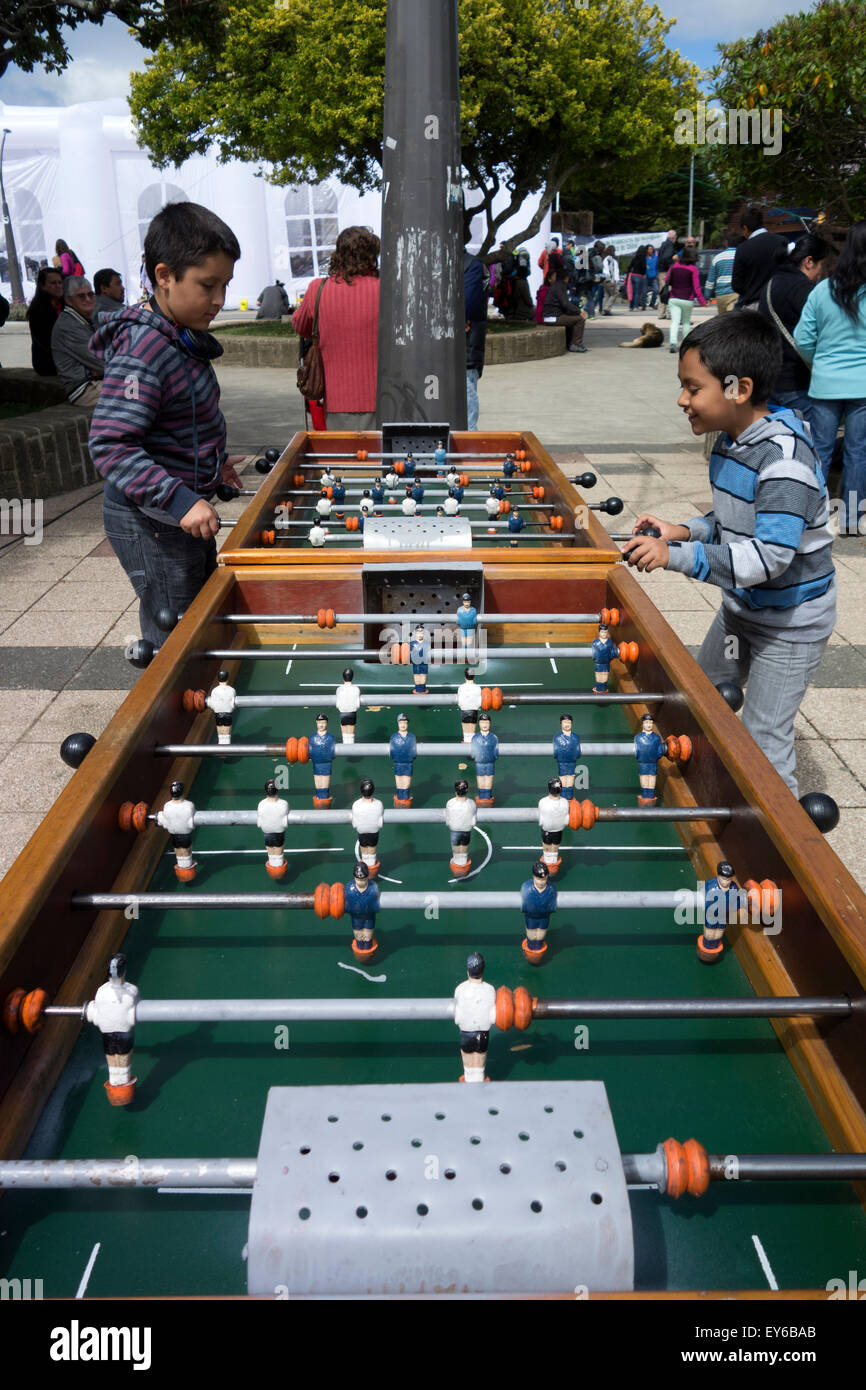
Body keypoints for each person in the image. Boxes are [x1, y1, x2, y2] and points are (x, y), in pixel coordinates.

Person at [623, 311, 836, 797]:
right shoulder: (730, 441)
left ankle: (777, 853)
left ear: (738, 389)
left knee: (763, 740)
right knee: (699, 696)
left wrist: (676, 556)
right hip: (743, 608)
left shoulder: (784, 461)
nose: (682, 400)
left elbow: (768, 558)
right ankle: (693, 788)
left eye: (692, 388)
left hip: (790, 623)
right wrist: (681, 530)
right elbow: (733, 523)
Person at [88, 202, 242, 651]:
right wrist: (179, 498)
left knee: (199, 612)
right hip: (150, 517)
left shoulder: (178, 334)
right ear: (164, 275)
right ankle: (166, 716)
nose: (219, 300)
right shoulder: (143, 350)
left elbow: (182, 419)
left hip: (178, 509)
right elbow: (111, 443)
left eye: (225, 286)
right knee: (175, 631)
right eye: (208, 285)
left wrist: (213, 467)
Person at [794, 220, 866, 519]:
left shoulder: (823, 290)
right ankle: (852, 517)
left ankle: (813, 516)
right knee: (858, 452)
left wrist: (818, 361)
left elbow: (802, 339)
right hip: (863, 386)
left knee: (819, 450)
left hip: (824, 382)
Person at [292, 226, 380, 430]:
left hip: (336, 397)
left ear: (338, 254)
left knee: (344, 457)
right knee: (380, 458)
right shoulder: (385, 288)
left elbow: (301, 325)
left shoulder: (318, 289)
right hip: (383, 396)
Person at [757, 233, 832, 423]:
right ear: (809, 261)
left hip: (772, 376)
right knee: (809, 441)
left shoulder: (773, 281)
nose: (821, 274)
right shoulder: (802, 288)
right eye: (821, 266)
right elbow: (817, 331)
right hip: (795, 382)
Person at [50, 276, 105, 406]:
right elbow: (101, 362)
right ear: (69, 300)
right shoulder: (68, 326)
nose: (88, 299)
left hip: (96, 381)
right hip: (84, 389)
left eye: (90, 294)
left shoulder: (83, 318)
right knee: (141, 391)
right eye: (81, 296)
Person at [731, 206, 787, 309]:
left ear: (745, 228)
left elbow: (736, 284)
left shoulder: (743, 248)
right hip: (780, 302)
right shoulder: (782, 241)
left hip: (754, 303)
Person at [453, 952, 497, 1082]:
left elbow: (458, 1010)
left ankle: (469, 1078)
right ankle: (479, 1079)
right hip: (482, 1034)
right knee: (479, 1061)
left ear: (468, 971)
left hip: (466, 1032)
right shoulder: (490, 990)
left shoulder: (460, 989)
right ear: (483, 970)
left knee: (467, 1060)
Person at [662, 247, 707, 352]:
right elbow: (696, 287)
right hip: (687, 299)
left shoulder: (674, 266)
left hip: (674, 298)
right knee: (686, 322)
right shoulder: (693, 269)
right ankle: (685, 344)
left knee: (675, 322)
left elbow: (666, 279)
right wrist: (702, 301)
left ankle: (673, 343)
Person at [465, 242, 487, 430]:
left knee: (467, 405)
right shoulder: (471, 265)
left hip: (467, 350)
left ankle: (469, 451)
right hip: (466, 350)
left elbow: (468, 304)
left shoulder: (471, 265)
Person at [26, 266, 64, 375]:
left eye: (60, 282)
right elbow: (46, 342)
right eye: (53, 283)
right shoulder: (38, 310)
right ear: (42, 286)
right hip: (47, 363)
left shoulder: (64, 305)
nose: (58, 286)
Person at [542, 266, 588, 352]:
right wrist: (579, 311)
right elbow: (565, 303)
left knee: (573, 318)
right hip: (552, 317)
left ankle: (570, 342)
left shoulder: (557, 285)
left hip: (552, 316)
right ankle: (576, 344)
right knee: (580, 319)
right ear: (566, 278)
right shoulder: (560, 286)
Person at [521, 860, 557, 961]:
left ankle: (538, 951)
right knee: (532, 937)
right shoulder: (527, 888)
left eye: (544, 879)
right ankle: (532, 953)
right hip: (531, 917)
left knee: (540, 936)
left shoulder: (551, 890)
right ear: (533, 877)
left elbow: (553, 906)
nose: (542, 882)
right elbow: (524, 906)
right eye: (539, 879)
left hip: (544, 917)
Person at [256, 778, 290, 879]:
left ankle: (274, 869)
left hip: (267, 831)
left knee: (271, 851)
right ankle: (278, 871)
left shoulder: (261, 804)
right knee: (278, 851)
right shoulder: (283, 804)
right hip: (279, 832)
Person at [351, 778, 384, 875]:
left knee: (364, 849)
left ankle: (366, 865)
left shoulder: (356, 804)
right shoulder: (379, 804)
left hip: (362, 831)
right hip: (374, 831)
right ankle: (371, 866)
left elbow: (355, 822)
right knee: (372, 850)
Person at [445, 779, 477, 877]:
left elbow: (448, 820)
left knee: (456, 852)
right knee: (464, 852)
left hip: (454, 831)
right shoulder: (472, 803)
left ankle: (457, 869)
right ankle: (463, 868)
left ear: (455, 791)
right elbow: (474, 821)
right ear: (467, 790)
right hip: (466, 831)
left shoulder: (450, 803)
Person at [705, 235, 742, 315]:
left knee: (724, 321)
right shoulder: (741, 256)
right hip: (735, 294)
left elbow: (710, 281)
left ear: (726, 243)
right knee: (732, 320)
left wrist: (707, 296)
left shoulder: (717, 258)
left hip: (721, 295)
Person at [389, 712, 417, 804]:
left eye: (405, 723)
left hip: (408, 764)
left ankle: (406, 800)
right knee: (399, 782)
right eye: (401, 723)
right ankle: (400, 800)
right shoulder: (394, 737)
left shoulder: (412, 737)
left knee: (406, 783)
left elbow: (413, 752)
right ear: (398, 723)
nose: (403, 725)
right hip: (398, 763)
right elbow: (392, 751)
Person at [310, 712, 336, 806]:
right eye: (319, 722)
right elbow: (310, 750)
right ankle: (318, 801)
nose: (321, 725)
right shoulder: (313, 738)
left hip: (326, 764)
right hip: (316, 763)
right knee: (318, 783)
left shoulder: (330, 738)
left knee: (325, 783)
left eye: (324, 722)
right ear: (316, 723)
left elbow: (333, 751)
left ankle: (324, 802)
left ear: (327, 723)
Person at [656, 229, 680, 320]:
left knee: (662, 291)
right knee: (669, 291)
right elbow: (667, 257)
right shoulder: (670, 245)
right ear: (673, 237)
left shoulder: (663, 244)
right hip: (666, 271)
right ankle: (669, 313)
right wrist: (671, 267)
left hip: (661, 271)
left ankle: (661, 313)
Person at [335, 666, 361, 742]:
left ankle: (345, 751)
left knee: (345, 736)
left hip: (343, 713)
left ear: (343, 677)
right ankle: (351, 751)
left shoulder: (339, 689)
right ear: (352, 677)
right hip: (352, 713)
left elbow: (338, 703)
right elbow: (357, 703)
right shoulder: (356, 688)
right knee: (351, 735)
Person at [626, 245, 648, 311]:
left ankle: (631, 306)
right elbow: (644, 267)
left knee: (632, 292)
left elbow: (629, 267)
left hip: (632, 275)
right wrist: (644, 273)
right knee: (637, 293)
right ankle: (636, 306)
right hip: (639, 276)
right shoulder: (643, 258)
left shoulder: (635, 258)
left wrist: (629, 273)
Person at [601, 246, 620, 315]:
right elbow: (611, 270)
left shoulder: (604, 259)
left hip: (605, 279)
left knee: (606, 295)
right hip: (610, 279)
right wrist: (613, 280)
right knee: (615, 293)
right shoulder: (610, 259)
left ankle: (604, 310)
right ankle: (606, 308)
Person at [645, 243, 659, 309]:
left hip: (654, 277)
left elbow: (658, 266)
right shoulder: (644, 258)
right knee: (644, 291)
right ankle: (643, 304)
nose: (650, 250)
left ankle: (652, 303)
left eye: (651, 249)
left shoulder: (656, 257)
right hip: (646, 277)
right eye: (649, 249)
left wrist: (657, 274)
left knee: (656, 290)